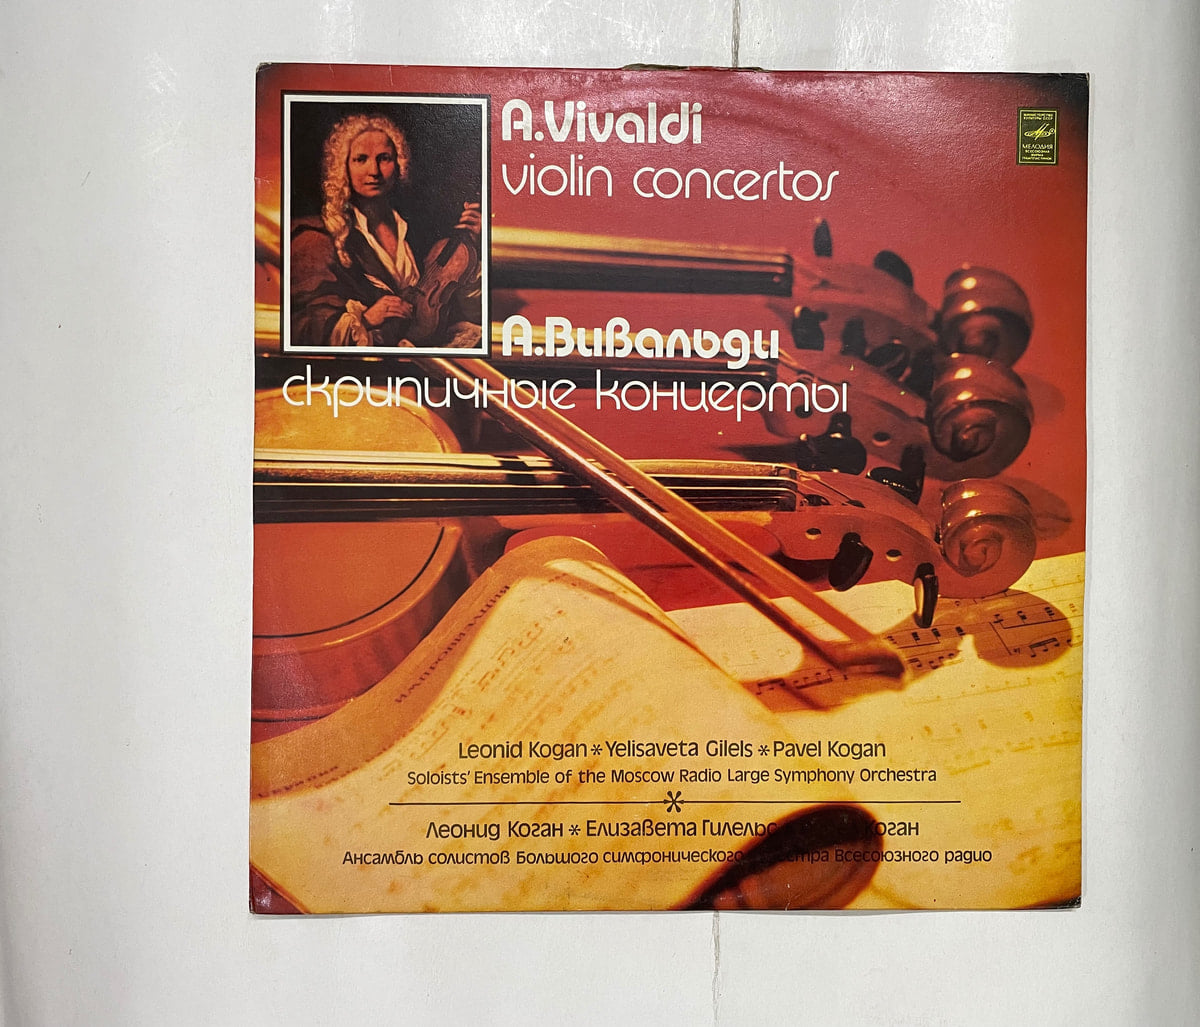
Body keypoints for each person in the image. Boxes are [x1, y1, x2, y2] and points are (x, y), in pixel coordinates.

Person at [290, 113, 482, 348]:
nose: (374, 170)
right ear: (343, 167)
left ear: (399, 164)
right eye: (361, 159)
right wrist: (367, 319)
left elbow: (460, 307)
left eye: (384, 158)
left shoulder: (417, 228)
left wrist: (473, 244)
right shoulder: (321, 235)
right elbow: (303, 325)